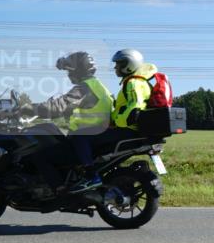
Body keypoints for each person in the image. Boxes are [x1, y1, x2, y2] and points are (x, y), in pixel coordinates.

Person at [28, 51, 113, 192]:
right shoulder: (98, 86)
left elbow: (58, 106)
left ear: (78, 71)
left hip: (87, 136)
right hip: (96, 136)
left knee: (40, 156)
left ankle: (59, 191)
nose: (68, 75)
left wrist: (28, 109)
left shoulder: (84, 88)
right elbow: (69, 108)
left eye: (70, 71)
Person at [110, 48, 159, 130]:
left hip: (128, 128)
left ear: (128, 65)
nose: (115, 67)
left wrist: (116, 122)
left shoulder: (133, 83)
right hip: (128, 126)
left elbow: (135, 108)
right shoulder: (140, 81)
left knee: (90, 138)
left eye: (118, 64)